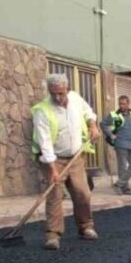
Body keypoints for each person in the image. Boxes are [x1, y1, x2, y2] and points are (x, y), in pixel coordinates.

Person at [30, 73, 102, 251]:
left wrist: (93, 126)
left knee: (82, 193)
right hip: (54, 158)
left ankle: (85, 227)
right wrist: (52, 170)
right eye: (53, 93)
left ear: (67, 89)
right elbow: (45, 142)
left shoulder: (75, 99)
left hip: (76, 157)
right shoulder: (42, 111)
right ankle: (53, 235)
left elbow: (89, 113)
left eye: (60, 93)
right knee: (55, 195)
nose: (57, 97)